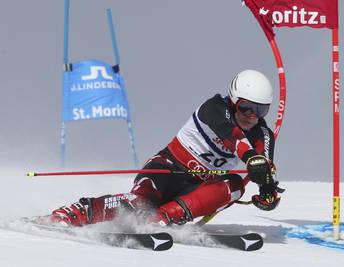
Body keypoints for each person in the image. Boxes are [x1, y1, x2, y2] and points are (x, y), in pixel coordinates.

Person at [44, 69, 283, 227]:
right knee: (139, 204)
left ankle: (162, 219)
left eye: (261, 110)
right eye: (246, 107)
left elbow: (265, 171)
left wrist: (268, 193)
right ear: (233, 101)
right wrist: (251, 156)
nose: (252, 116)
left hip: (199, 188)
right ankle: (76, 212)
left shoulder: (262, 134)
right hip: (168, 168)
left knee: (235, 187)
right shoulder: (213, 108)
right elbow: (231, 136)